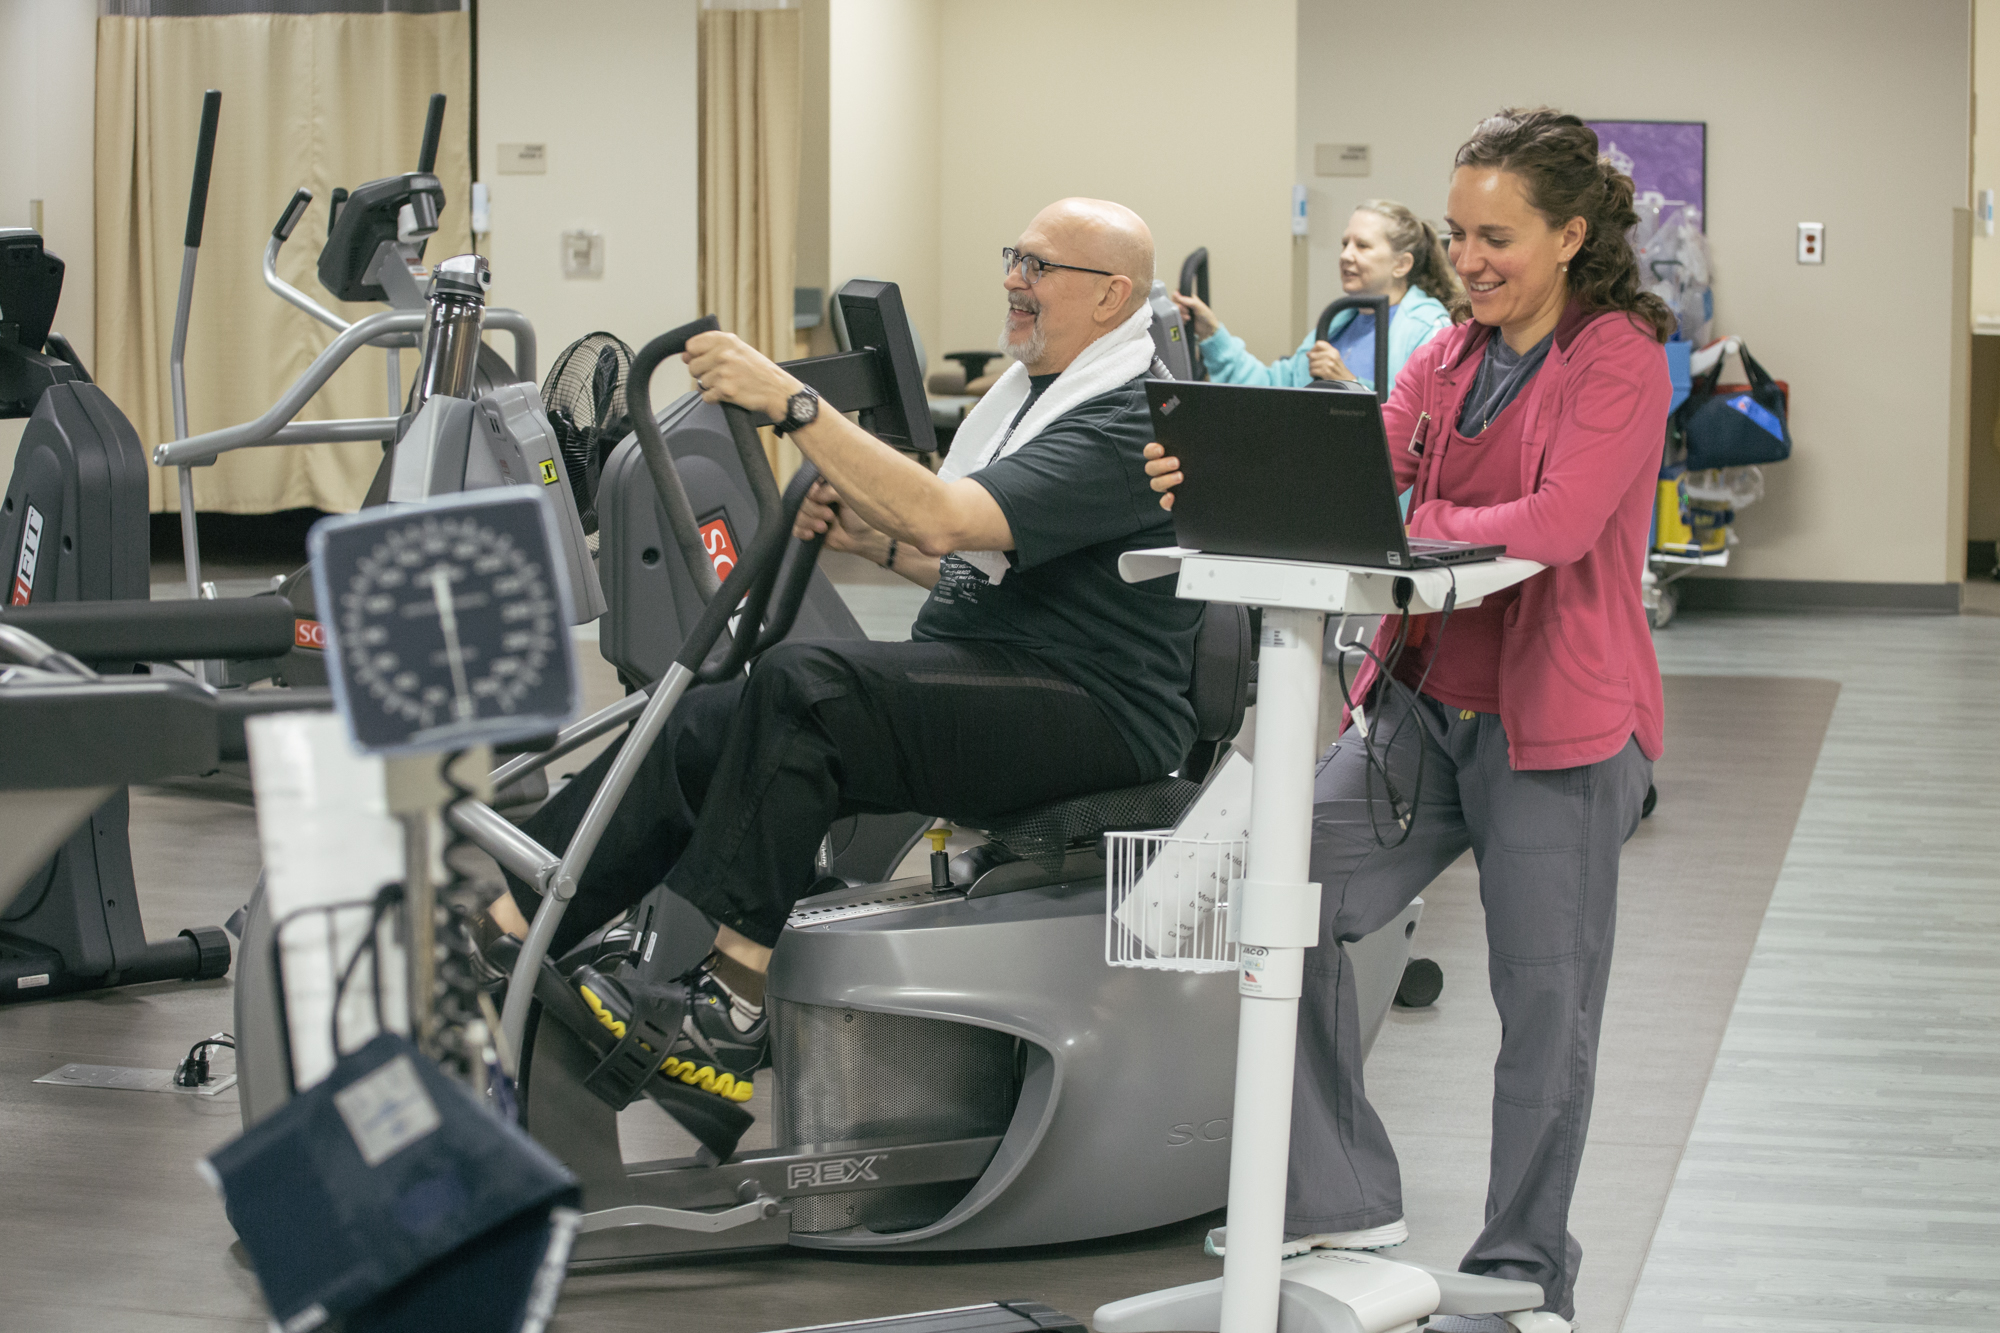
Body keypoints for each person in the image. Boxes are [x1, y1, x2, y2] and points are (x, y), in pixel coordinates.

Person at [483, 197, 1202, 1100]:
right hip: (1012, 671)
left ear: (1111, 297)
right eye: (1013, 257)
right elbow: (979, 564)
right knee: (709, 713)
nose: (1015, 281)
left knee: (805, 687)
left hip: (1100, 713)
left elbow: (949, 520)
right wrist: (873, 543)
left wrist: (793, 402)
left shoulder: (1125, 416)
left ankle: (732, 1012)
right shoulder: (1035, 395)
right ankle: (513, 922)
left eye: (1040, 268)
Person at [1143, 109, 1672, 1331]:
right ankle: (1338, 1196)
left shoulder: (1614, 358)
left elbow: (1552, 523)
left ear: (1569, 236)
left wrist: (1399, 531)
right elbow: (1356, 473)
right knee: (1289, 903)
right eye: (1457, 234)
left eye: (1498, 237)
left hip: (1558, 723)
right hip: (1418, 710)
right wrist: (1212, 477)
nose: (1470, 259)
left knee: (1545, 1004)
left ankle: (1521, 1268)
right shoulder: (1442, 360)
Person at [1174, 200, 1460, 394]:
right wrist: (1211, 333)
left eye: (1362, 246)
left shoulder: (1429, 330)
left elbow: (1422, 423)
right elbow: (1271, 387)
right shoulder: (1339, 322)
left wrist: (1349, 385)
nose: (1346, 255)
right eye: (1345, 243)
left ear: (1402, 264)